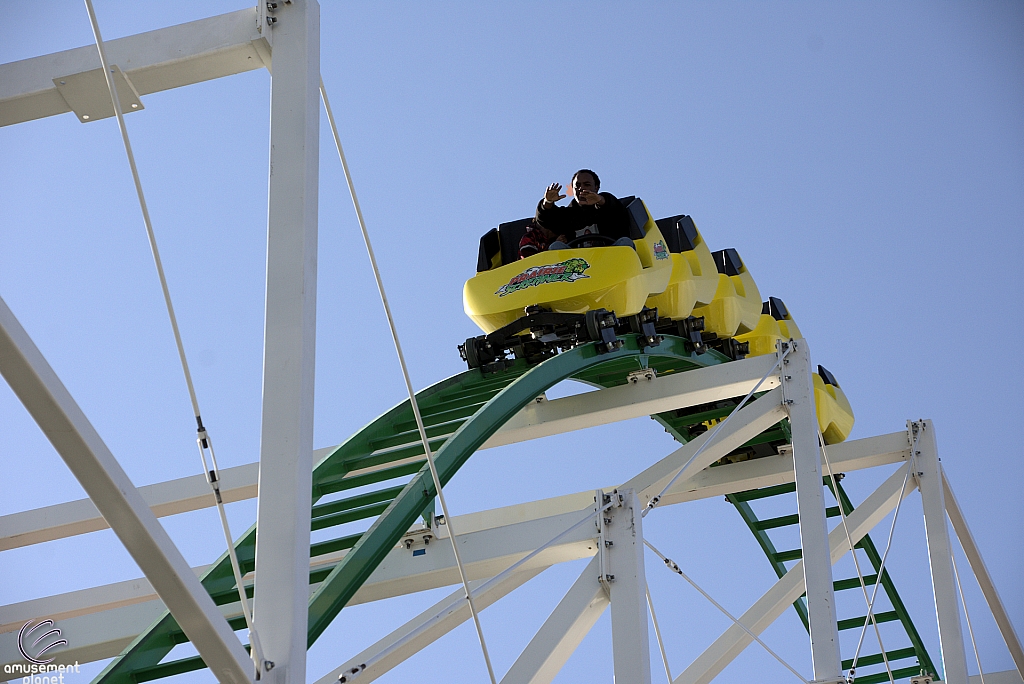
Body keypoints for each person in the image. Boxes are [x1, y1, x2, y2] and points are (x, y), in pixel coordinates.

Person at [535, 169, 634, 250]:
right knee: (556, 247)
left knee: (625, 242)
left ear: (596, 188)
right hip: (577, 265)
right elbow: (546, 219)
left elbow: (616, 210)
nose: (581, 188)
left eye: (586, 185)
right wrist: (547, 202)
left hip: (611, 258)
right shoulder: (568, 215)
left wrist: (600, 200)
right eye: (577, 186)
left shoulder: (608, 206)